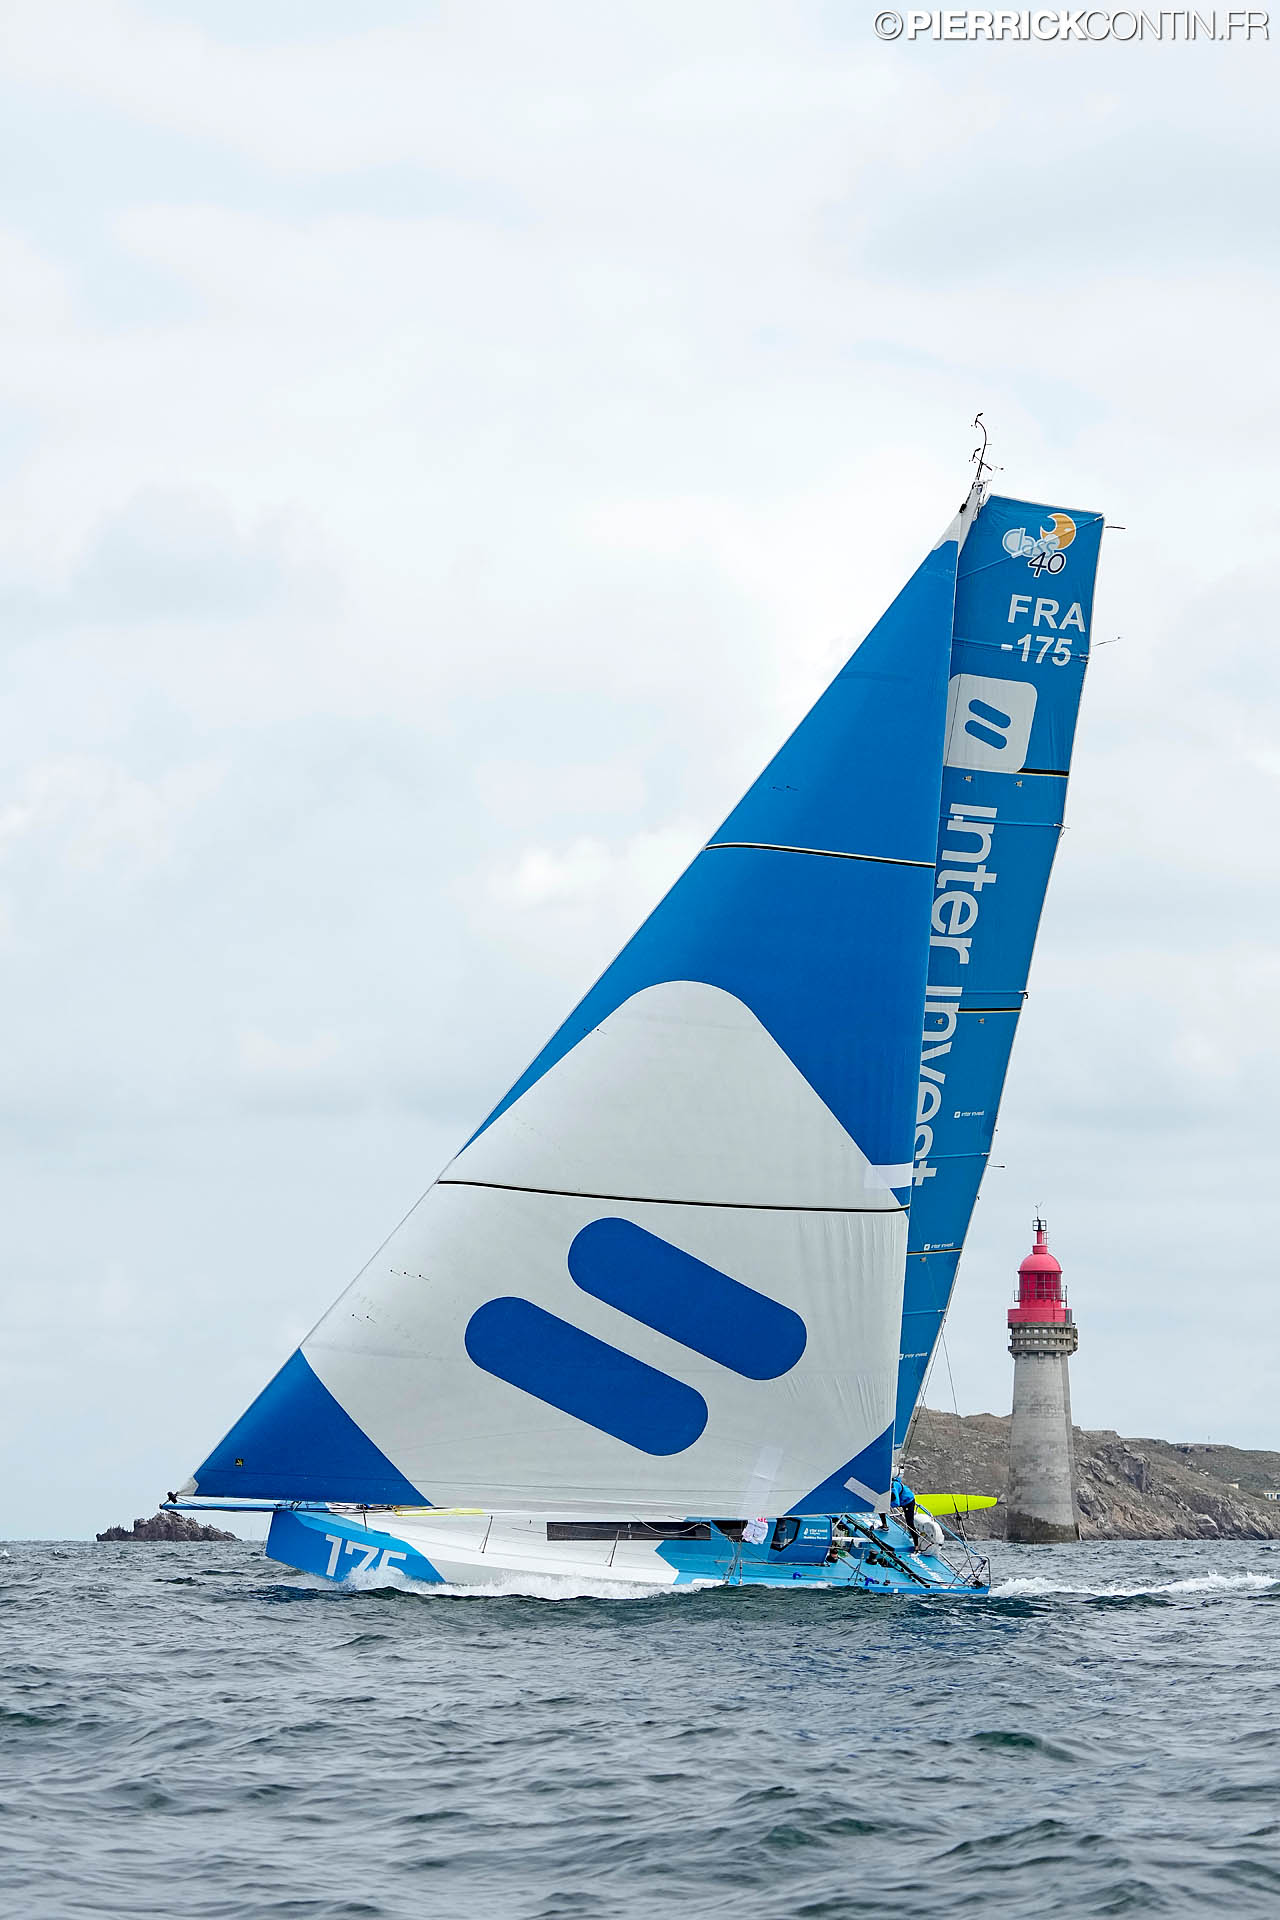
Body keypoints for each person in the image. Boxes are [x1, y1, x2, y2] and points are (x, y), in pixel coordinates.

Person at [891, 1474, 920, 1549]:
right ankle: (884, 1525)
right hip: (902, 1500)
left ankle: (916, 1545)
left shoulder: (894, 1487)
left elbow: (896, 1503)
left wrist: (886, 1506)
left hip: (908, 1502)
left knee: (910, 1523)